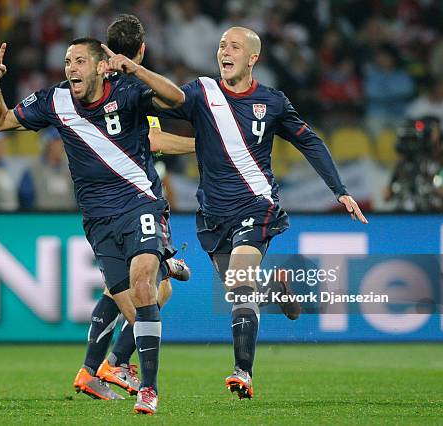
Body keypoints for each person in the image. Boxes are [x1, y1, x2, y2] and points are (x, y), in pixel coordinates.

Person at [151, 27, 367, 399]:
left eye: (235, 46)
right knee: (240, 290)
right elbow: (162, 102)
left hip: (256, 204)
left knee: (238, 280)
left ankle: (243, 372)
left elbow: (310, 142)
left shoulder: (273, 102)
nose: (225, 51)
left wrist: (340, 190)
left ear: (253, 58)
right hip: (213, 213)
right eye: (221, 45)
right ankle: (278, 290)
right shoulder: (201, 93)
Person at [0, 37, 185, 414]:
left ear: (99, 67)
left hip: (140, 202)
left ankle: (148, 389)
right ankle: (104, 366)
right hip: (97, 219)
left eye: (79, 61)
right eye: (67, 60)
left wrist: (138, 70)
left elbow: (176, 99)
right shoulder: (54, 101)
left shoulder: (126, 91)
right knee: (132, 303)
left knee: (146, 286)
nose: (70, 68)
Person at [70, 14, 190, 402]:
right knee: (154, 291)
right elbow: (153, 139)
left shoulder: (107, 85)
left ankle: (94, 369)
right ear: (141, 50)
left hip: (111, 205)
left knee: (125, 288)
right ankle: (114, 362)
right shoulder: (130, 88)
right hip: (137, 199)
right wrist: (205, 145)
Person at [18, 127, 77, 210]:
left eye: (62, 142)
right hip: (41, 219)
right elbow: (25, 199)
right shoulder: (33, 170)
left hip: (66, 219)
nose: (61, 146)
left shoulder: (72, 169)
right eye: (57, 142)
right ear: (48, 144)